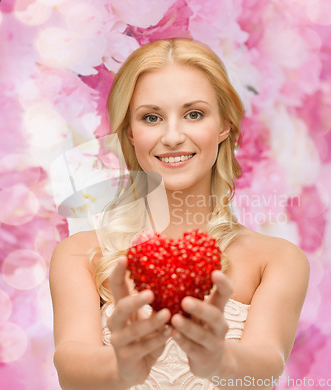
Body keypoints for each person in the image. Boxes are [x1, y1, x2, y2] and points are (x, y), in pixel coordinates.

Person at [49, 38, 310, 390]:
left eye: (194, 114)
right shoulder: (80, 254)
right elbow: (70, 365)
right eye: (151, 117)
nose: (172, 137)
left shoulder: (278, 259)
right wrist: (121, 367)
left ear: (223, 127)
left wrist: (219, 360)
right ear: (130, 132)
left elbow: (267, 365)